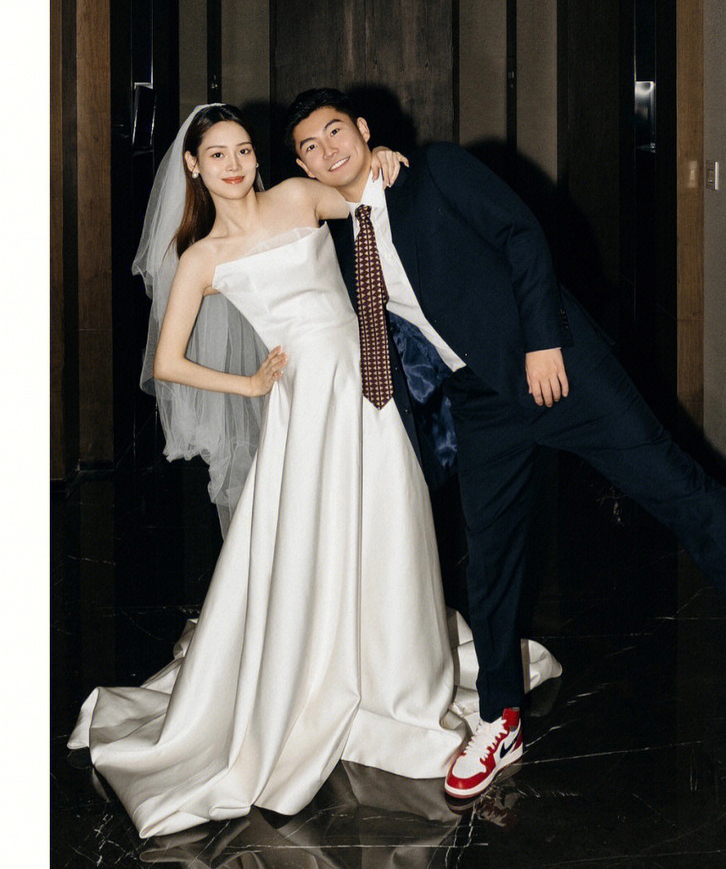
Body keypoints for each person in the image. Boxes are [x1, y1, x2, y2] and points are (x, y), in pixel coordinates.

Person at [285, 86, 726, 802]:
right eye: (311, 146)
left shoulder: (436, 170)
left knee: (677, 487)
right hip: (479, 402)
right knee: (491, 563)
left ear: (363, 129)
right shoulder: (342, 235)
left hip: (557, 366)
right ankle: (500, 717)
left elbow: (521, 234)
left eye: (336, 131)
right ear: (303, 165)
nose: (329, 149)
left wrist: (544, 340)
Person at [67, 103, 562, 838]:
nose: (235, 164)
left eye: (243, 149)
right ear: (194, 167)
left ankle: (396, 671)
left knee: (390, 529)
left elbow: (367, 200)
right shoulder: (203, 257)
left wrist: (384, 159)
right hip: (306, 412)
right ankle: (316, 675)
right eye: (217, 154)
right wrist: (250, 385)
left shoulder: (298, 197)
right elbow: (167, 361)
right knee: (313, 544)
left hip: (369, 393)